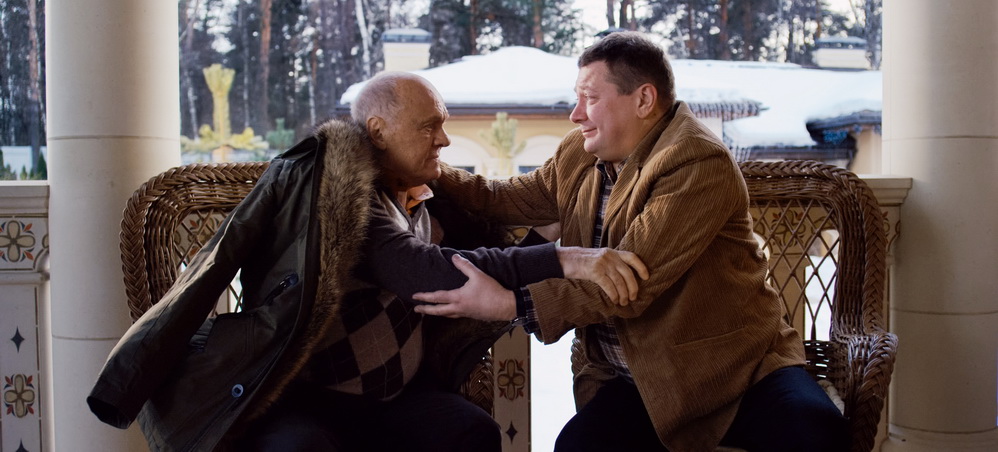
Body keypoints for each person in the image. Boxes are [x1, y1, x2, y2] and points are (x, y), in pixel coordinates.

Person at [86, 71, 646, 452]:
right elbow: (422, 271)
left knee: (471, 432)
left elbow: (480, 251)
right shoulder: (339, 197)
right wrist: (568, 259)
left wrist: (550, 233)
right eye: (430, 127)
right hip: (307, 399)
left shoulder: (428, 193)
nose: (445, 140)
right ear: (378, 132)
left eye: (444, 124)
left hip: (398, 397)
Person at [413, 32, 850, 452]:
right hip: (642, 381)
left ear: (643, 100)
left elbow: (629, 281)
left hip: (738, 374)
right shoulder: (579, 152)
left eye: (590, 98)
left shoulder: (697, 161)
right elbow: (501, 199)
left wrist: (509, 303)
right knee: (577, 447)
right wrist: (424, 165)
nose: (576, 114)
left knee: (815, 434)